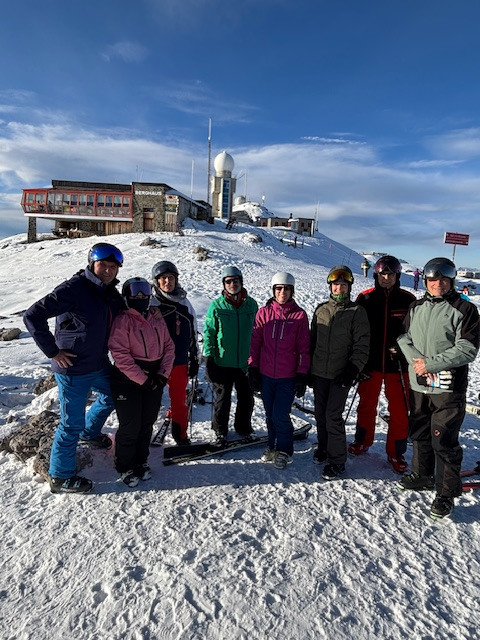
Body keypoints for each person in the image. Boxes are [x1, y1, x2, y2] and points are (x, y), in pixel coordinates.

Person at [23, 242, 125, 494]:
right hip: (72, 368)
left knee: (113, 395)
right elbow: (32, 315)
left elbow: (127, 313)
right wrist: (53, 351)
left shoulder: (110, 293)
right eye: (103, 265)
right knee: (71, 424)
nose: (108, 270)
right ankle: (60, 476)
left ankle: (90, 433)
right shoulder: (74, 288)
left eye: (113, 267)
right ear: (92, 264)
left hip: (98, 363)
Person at [397, 257, 480, 519]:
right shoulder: (416, 306)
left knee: (443, 439)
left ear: (451, 280)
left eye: (443, 279)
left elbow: (468, 348)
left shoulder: (464, 309)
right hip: (420, 384)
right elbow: (404, 337)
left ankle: (446, 493)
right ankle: (423, 474)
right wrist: (418, 363)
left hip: (448, 387)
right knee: (420, 431)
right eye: (433, 279)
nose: (438, 284)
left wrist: (431, 364)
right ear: (426, 281)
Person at [348, 256, 416, 473]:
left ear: (398, 276)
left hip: (398, 365)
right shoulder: (365, 298)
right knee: (367, 405)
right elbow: (355, 330)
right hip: (371, 363)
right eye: (382, 274)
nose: (386, 278)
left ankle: (396, 452)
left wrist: (404, 350)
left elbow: (416, 332)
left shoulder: (408, 300)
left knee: (400, 410)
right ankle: (362, 440)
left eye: (391, 274)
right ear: (376, 276)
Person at [108, 278, 175, 487]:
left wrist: (163, 374)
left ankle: (140, 460)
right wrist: (143, 379)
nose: (140, 296)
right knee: (131, 424)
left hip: (154, 376)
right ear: (126, 296)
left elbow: (169, 346)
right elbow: (121, 356)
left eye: (144, 291)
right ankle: (124, 465)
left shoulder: (156, 317)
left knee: (147, 422)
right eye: (135, 292)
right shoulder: (123, 320)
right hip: (127, 380)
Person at [310, 265, 370, 480]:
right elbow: (312, 341)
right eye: (336, 284)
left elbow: (362, 345)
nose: (339, 288)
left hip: (340, 374)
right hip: (319, 373)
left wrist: (352, 370)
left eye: (344, 285)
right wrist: (308, 369)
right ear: (330, 286)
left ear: (349, 287)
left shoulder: (356, 312)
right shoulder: (321, 310)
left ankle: (337, 460)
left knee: (333, 416)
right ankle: (324, 446)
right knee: (320, 414)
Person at [248, 272, 310, 469]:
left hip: (287, 377)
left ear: (292, 291)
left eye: (286, 289)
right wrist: (253, 367)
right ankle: (272, 445)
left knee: (280, 415)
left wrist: (302, 374)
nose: (282, 292)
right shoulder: (263, 313)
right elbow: (255, 343)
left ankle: (284, 450)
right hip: (266, 375)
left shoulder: (299, 316)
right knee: (269, 414)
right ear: (273, 290)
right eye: (278, 288)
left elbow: (304, 348)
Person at [203, 266, 258, 446]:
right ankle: (220, 430)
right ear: (224, 284)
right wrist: (209, 358)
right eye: (228, 281)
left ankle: (243, 428)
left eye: (236, 280)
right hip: (223, 361)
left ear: (241, 282)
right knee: (223, 399)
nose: (232, 284)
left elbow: (258, 333)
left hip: (245, 362)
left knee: (246, 398)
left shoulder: (251, 305)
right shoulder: (217, 306)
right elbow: (209, 332)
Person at [150, 260, 199, 445]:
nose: (167, 282)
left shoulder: (184, 303)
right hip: (156, 362)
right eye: (163, 278)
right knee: (151, 401)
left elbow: (193, 330)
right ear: (156, 280)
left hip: (179, 361)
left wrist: (194, 358)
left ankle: (181, 436)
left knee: (179, 401)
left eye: (170, 278)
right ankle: (143, 434)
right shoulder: (150, 303)